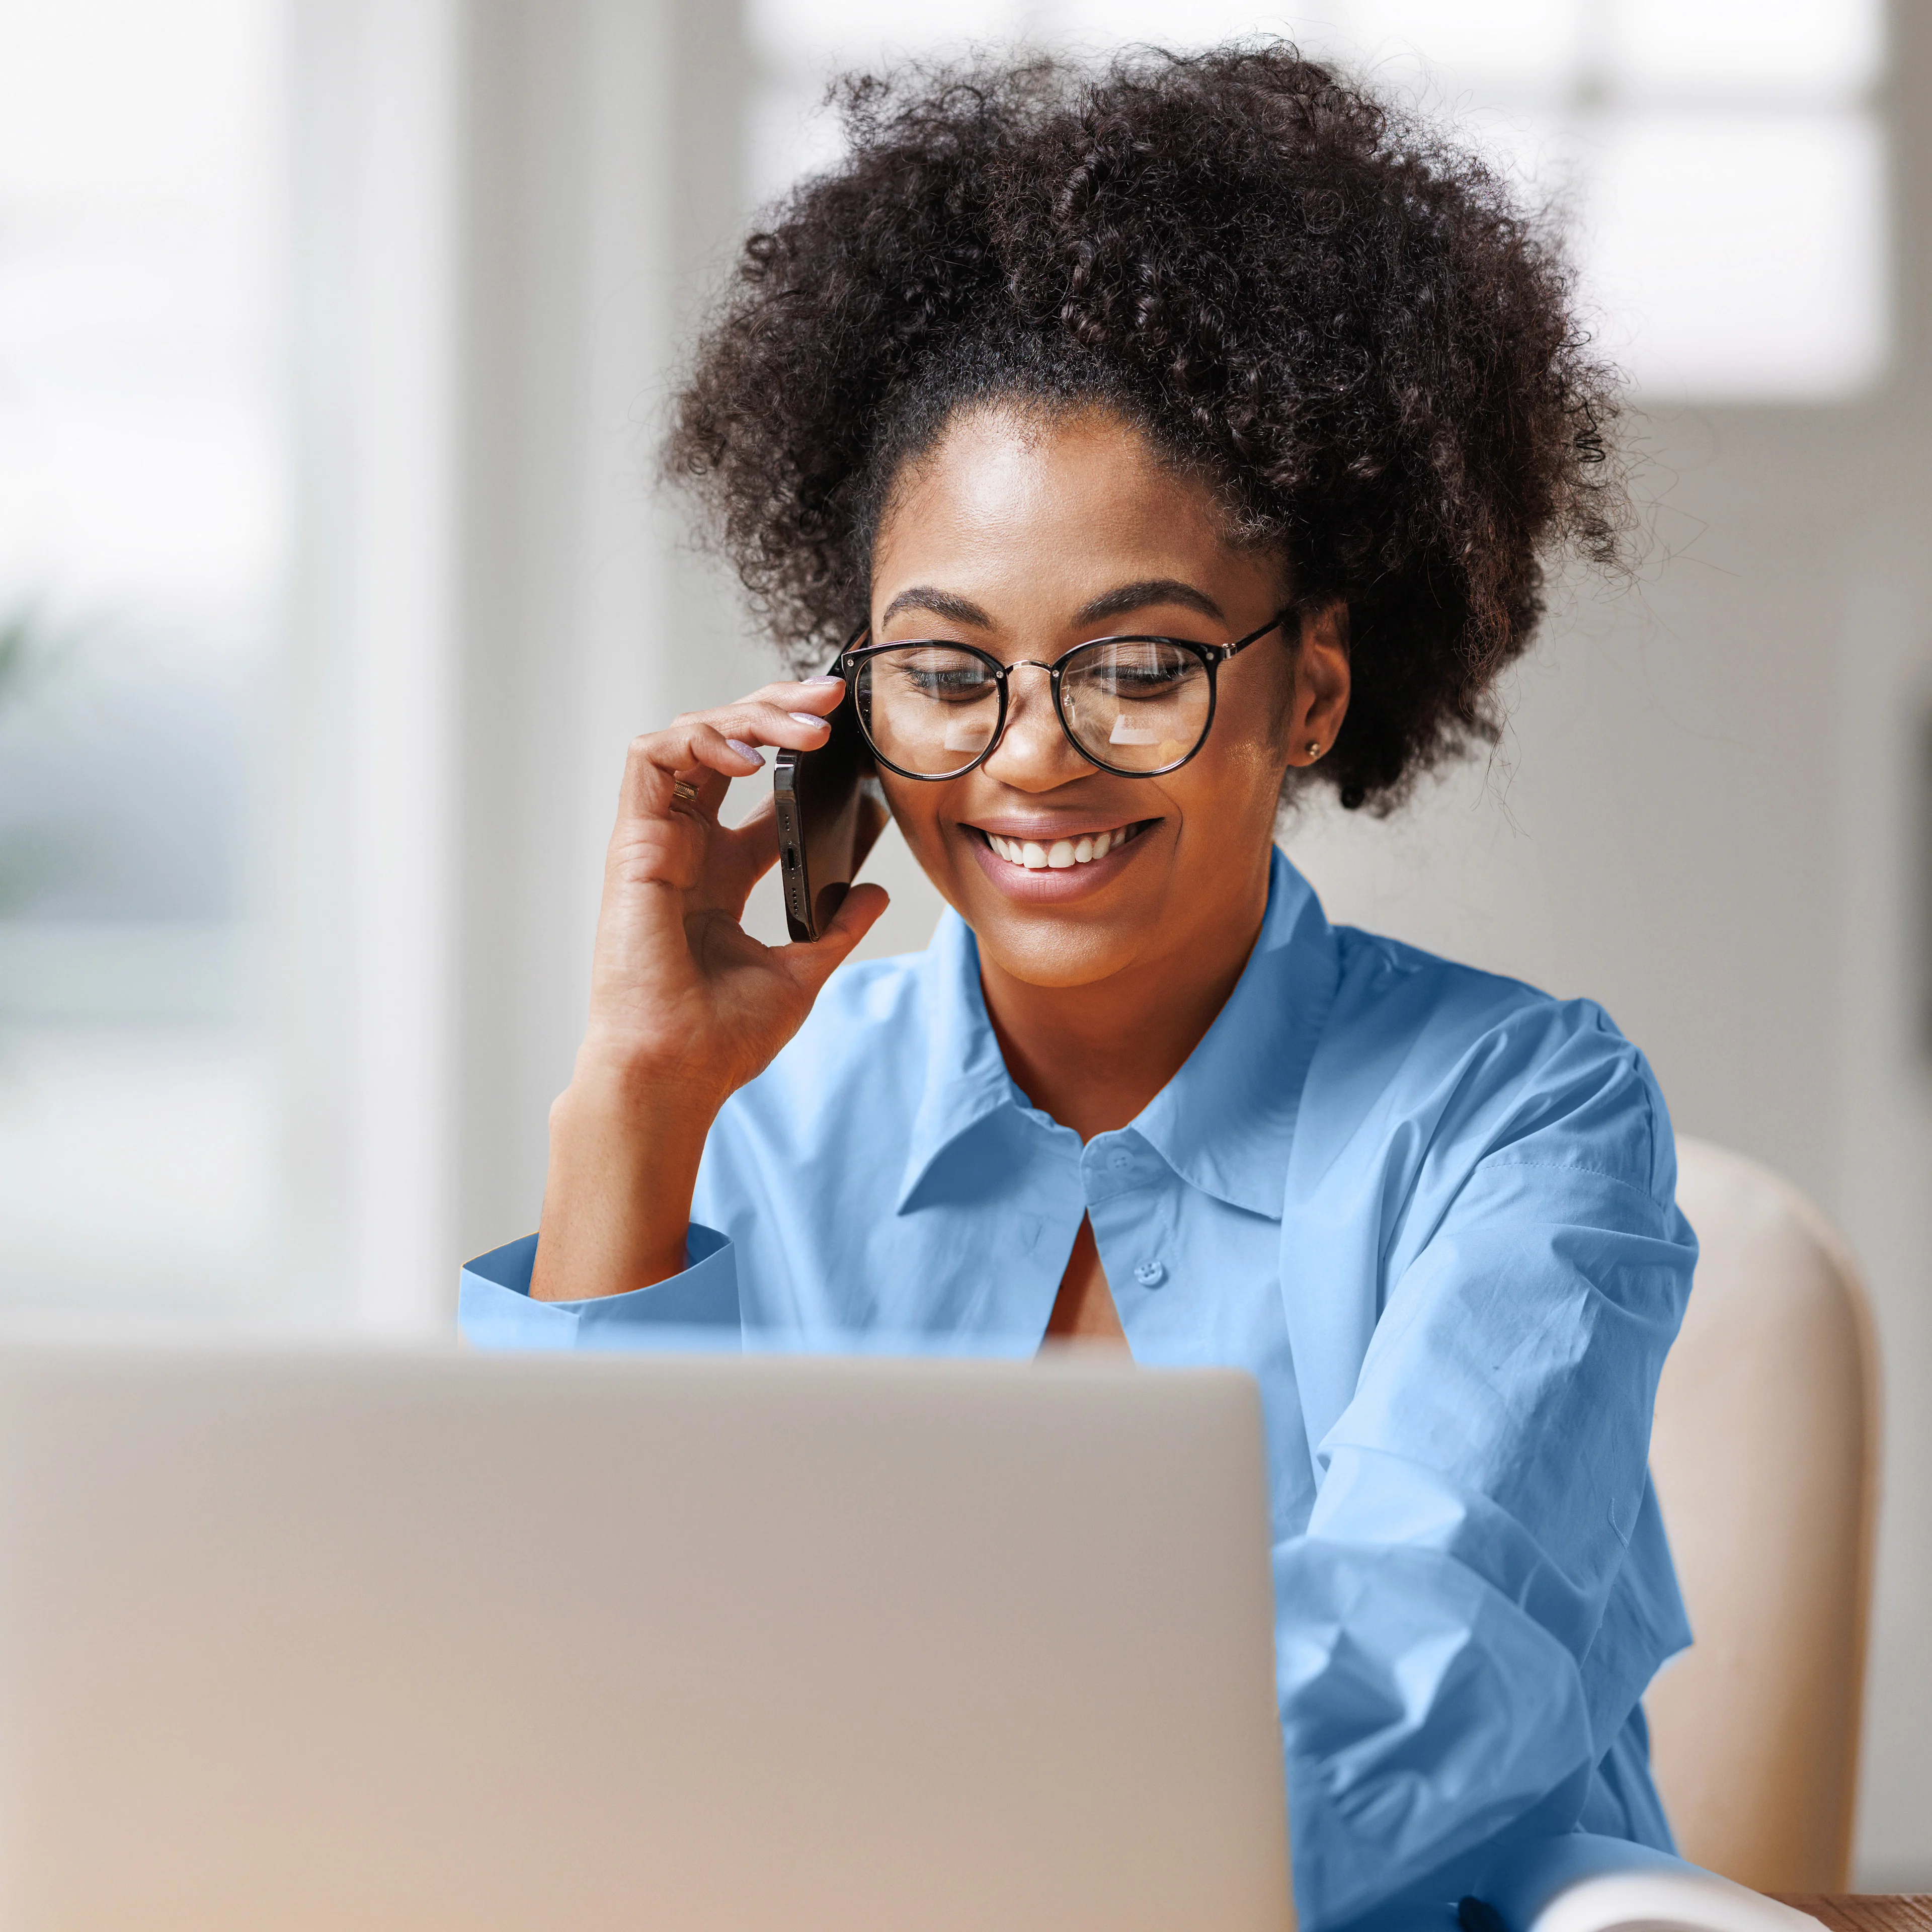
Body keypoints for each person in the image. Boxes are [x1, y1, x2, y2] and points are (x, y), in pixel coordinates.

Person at [461, 45, 1694, 1932]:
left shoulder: (1523, 1119)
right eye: (946, 673)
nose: (1031, 760)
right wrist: (634, 1094)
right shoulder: (763, 1112)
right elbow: (547, 1667)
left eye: (1138, 664)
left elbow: (1423, 1672)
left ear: (1314, 692)